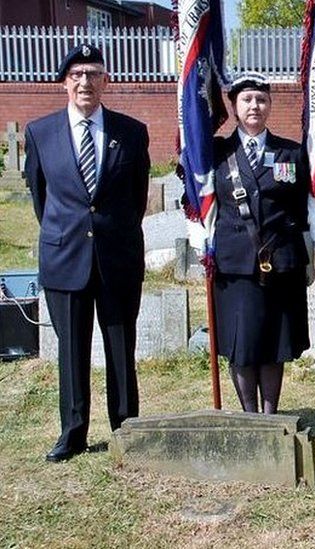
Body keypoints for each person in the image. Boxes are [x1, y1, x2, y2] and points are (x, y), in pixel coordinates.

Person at [25, 44, 150, 462]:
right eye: (77, 74)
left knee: (120, 346)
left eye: (93, 73)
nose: (85, 82)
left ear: (106, 80)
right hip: (65, 259)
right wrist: (71, 233)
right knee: (72, 351)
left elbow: (137, 198)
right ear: (64, 82)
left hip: (117, 258)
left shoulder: (131, 132)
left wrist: (109, 232)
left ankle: (126, 426)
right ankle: (73, 432)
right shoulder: (40, 133)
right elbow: (42, 199)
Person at [210, 73, 315, 413]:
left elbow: (306, 207)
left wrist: (311, 255)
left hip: (281, 260)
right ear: (233, 106)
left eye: (261, 99)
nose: (254, 106)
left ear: (270, 105)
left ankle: (271, 414)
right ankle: (249, 414)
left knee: (275, 341)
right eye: (246, 100)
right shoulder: (215, 152)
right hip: (236, 264)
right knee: (242, 343)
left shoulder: (291, 152)